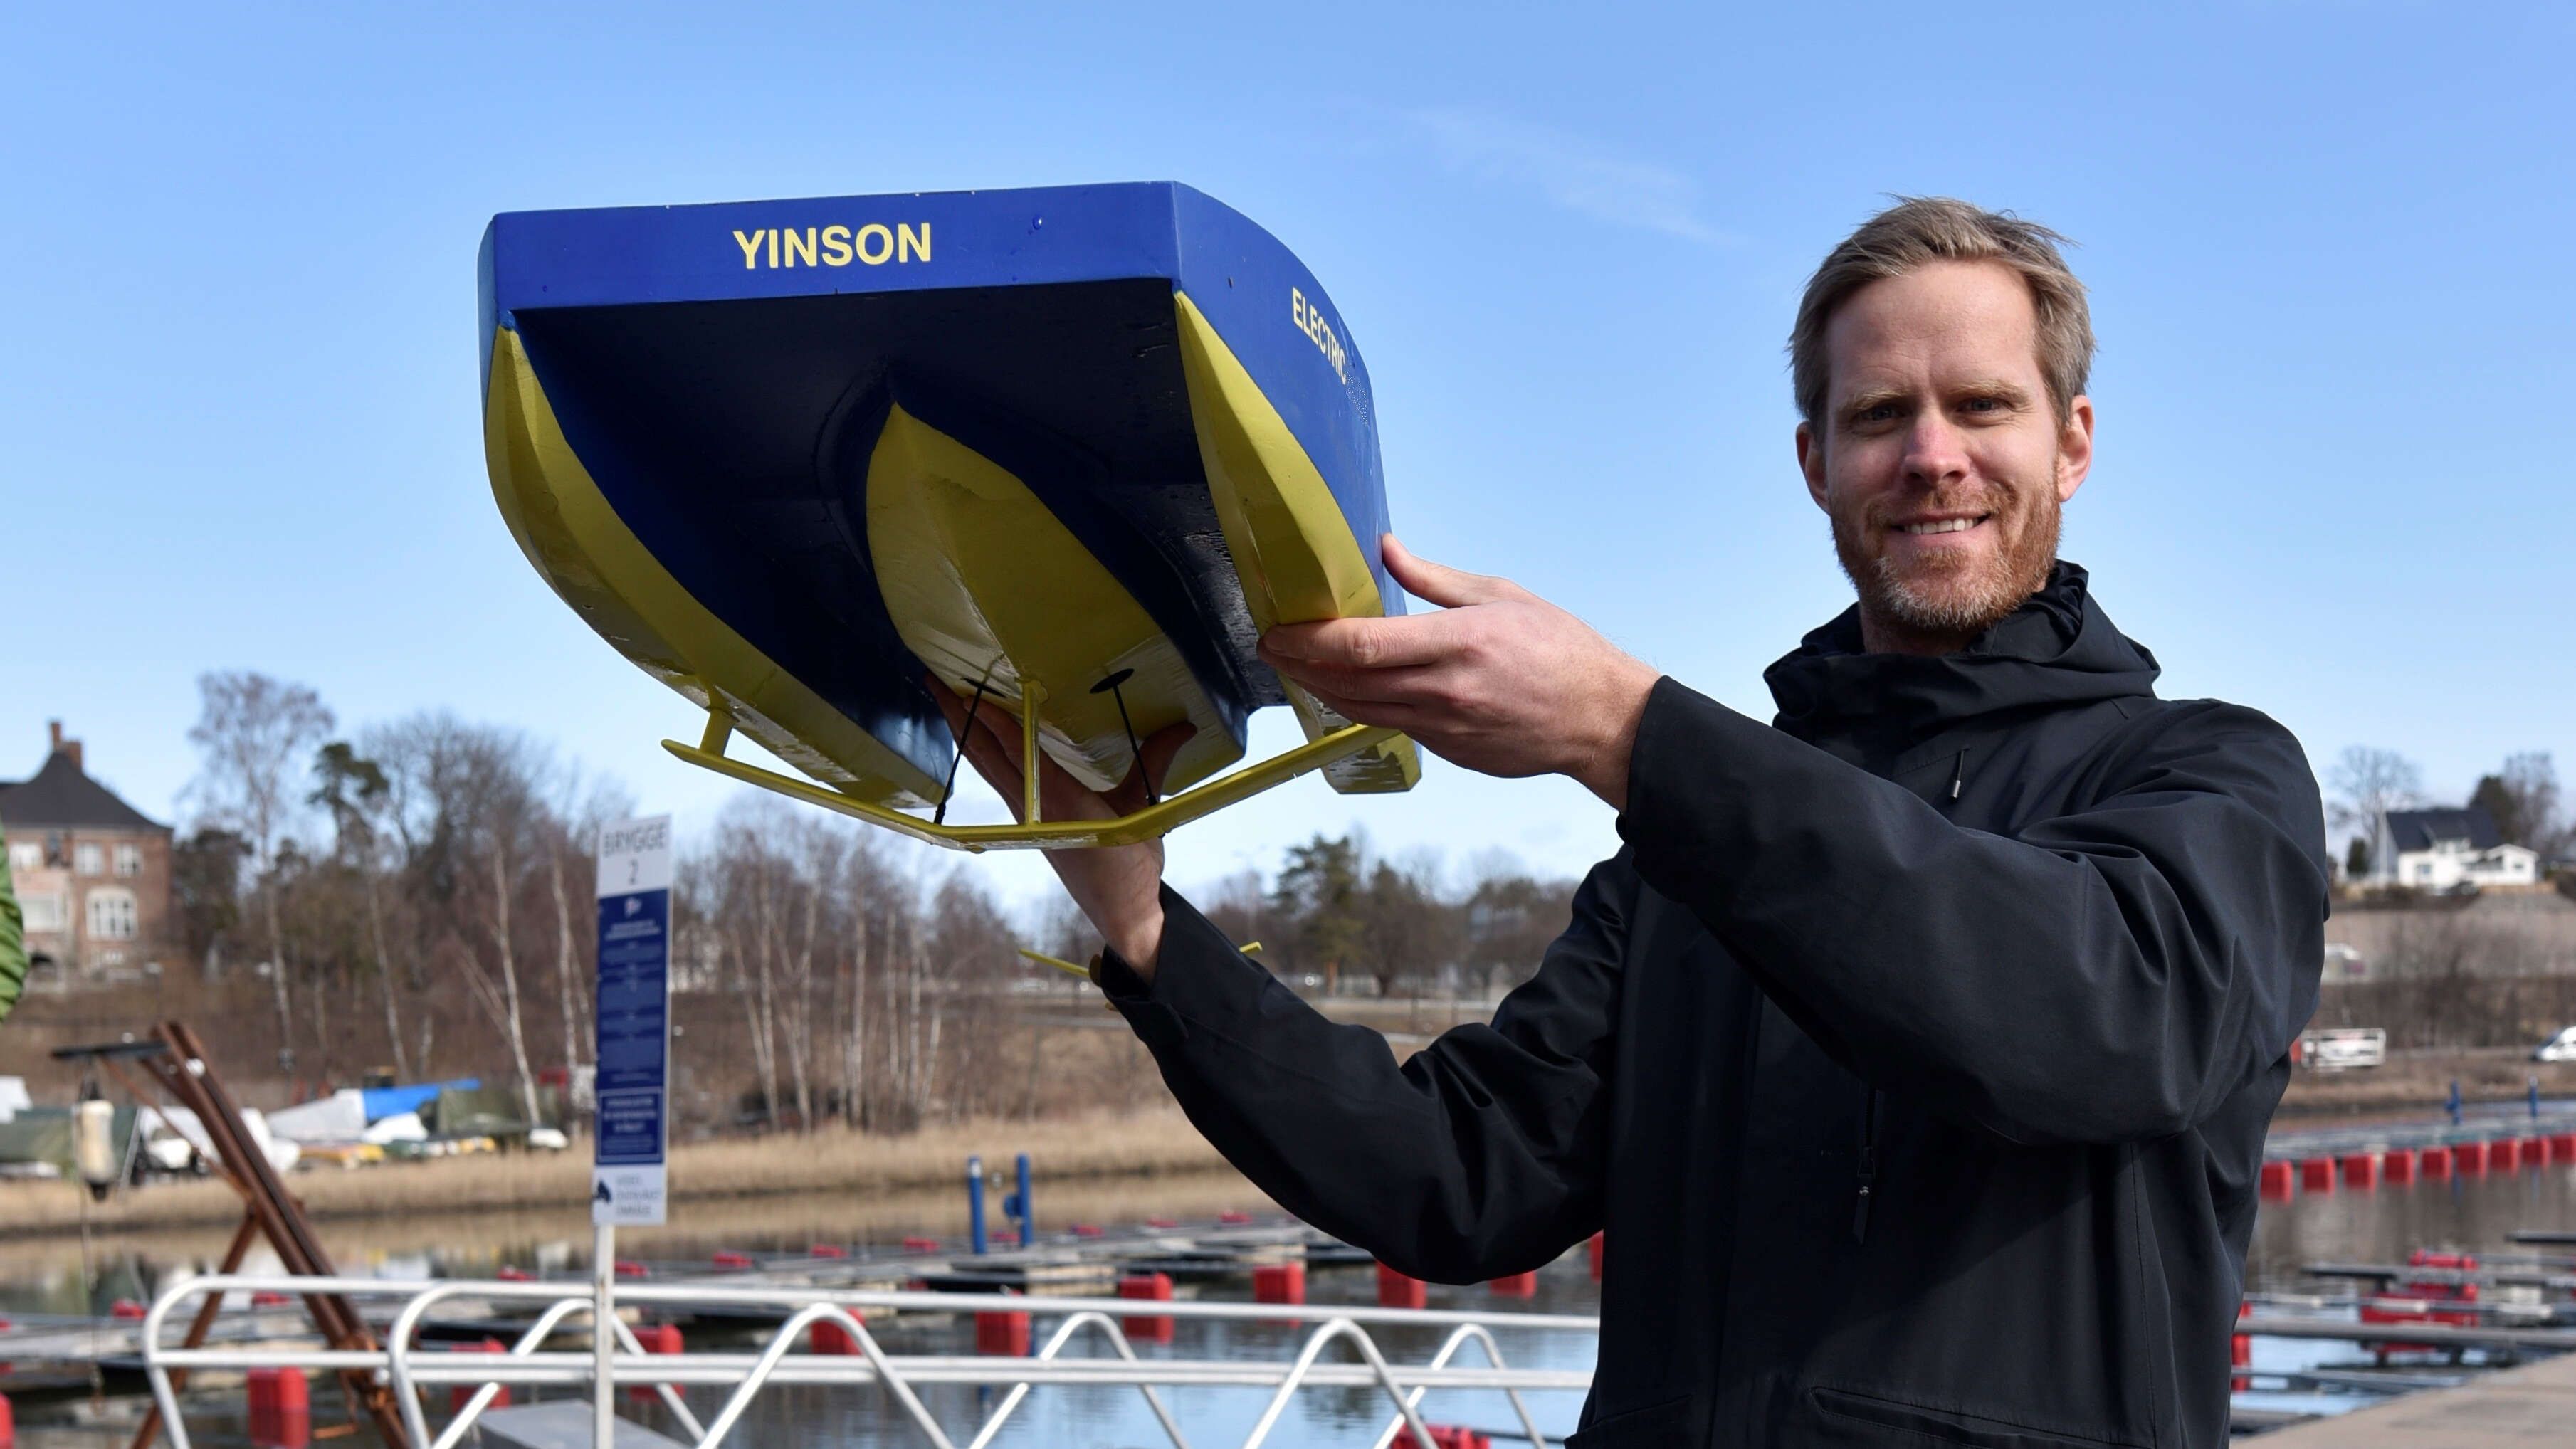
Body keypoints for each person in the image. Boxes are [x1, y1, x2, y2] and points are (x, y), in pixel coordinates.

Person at [937, 197, 2329, 1448]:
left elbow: (2093, 1023)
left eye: (1981, 405)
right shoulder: (1685, 858)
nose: (1930, 455)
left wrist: (1623, 730)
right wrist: (1142, 927)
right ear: (1814, 461)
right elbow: (1458, 1179)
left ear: (2071, 442)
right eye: (1876, 416)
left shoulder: (2211, 781)